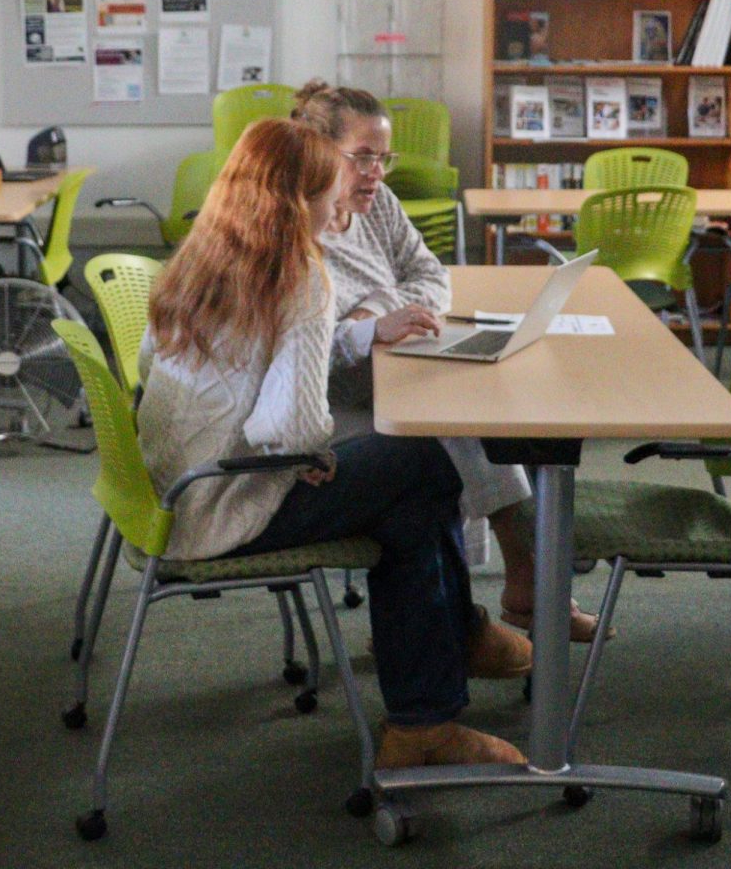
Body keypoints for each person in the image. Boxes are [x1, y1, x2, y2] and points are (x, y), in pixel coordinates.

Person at [138, 117, 529, 769]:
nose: (341, 205)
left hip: (172, 491)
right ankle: (431, 698)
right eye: (330, 193)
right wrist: (318, 452)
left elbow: (165, 370)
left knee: (408, 499)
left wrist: (319, 448)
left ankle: (427, 711)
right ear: (300, 202)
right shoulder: (300, 274)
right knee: (426, 460)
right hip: (230, 503)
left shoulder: (198, 257)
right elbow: (288, 430)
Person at [291, 80, 605, 642]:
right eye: (362, 157)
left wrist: (375, 307)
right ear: (317, 150)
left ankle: (499, 598)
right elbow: (307, 345)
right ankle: (510, 595)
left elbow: (434, 277)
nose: (376, 173)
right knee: (452, 431)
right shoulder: (297, 225)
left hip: (397, 373)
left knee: (470, 408)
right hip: (329, 403)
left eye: (382, 158)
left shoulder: (377, 205)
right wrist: (367, 327)